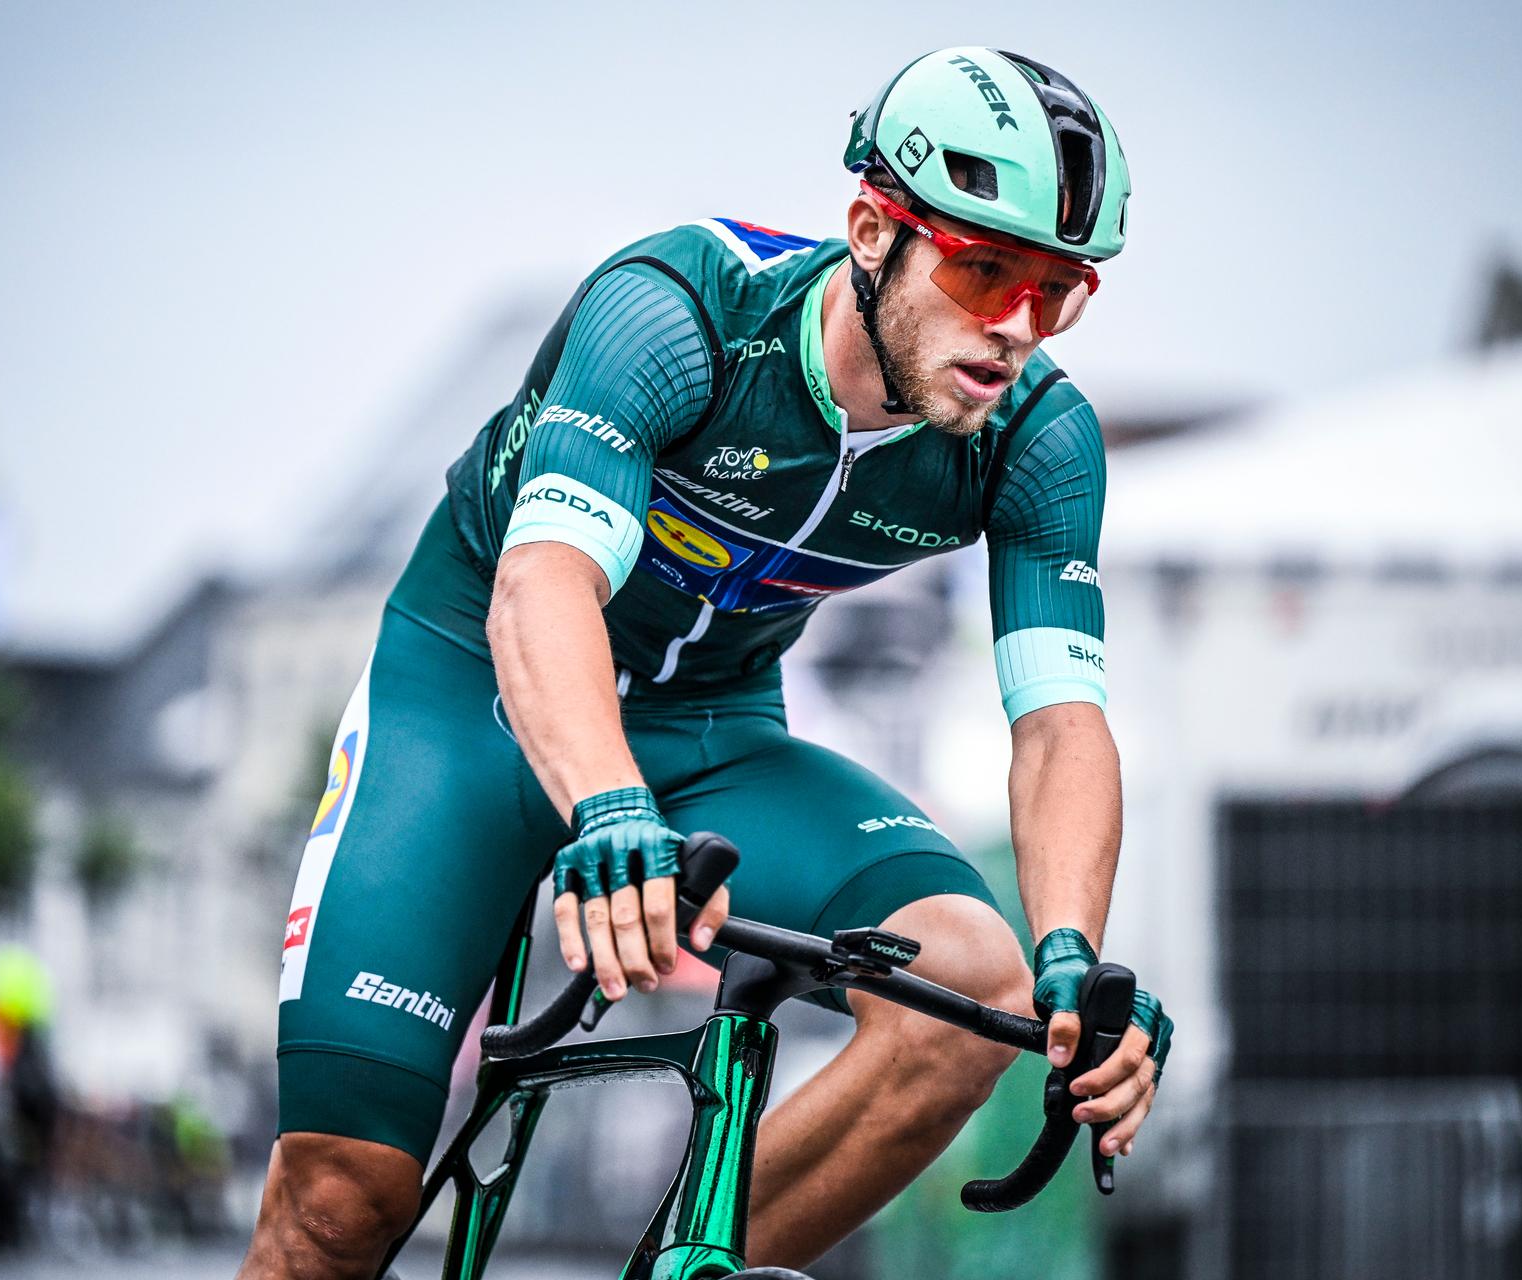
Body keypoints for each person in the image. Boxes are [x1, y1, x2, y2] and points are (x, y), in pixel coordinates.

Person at [238, 45, 1174, 1278]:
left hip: (713, 730)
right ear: (871, 232)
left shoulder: (1037, 440)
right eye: (983, 268)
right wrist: (606, 801)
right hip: (473, 699)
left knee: (972, 985)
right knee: (339, 1202)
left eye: (1058, 293)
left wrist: (1069, 963)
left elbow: (1060, 721)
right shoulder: (679, 314)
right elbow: (541, 585)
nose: (1015, 329)